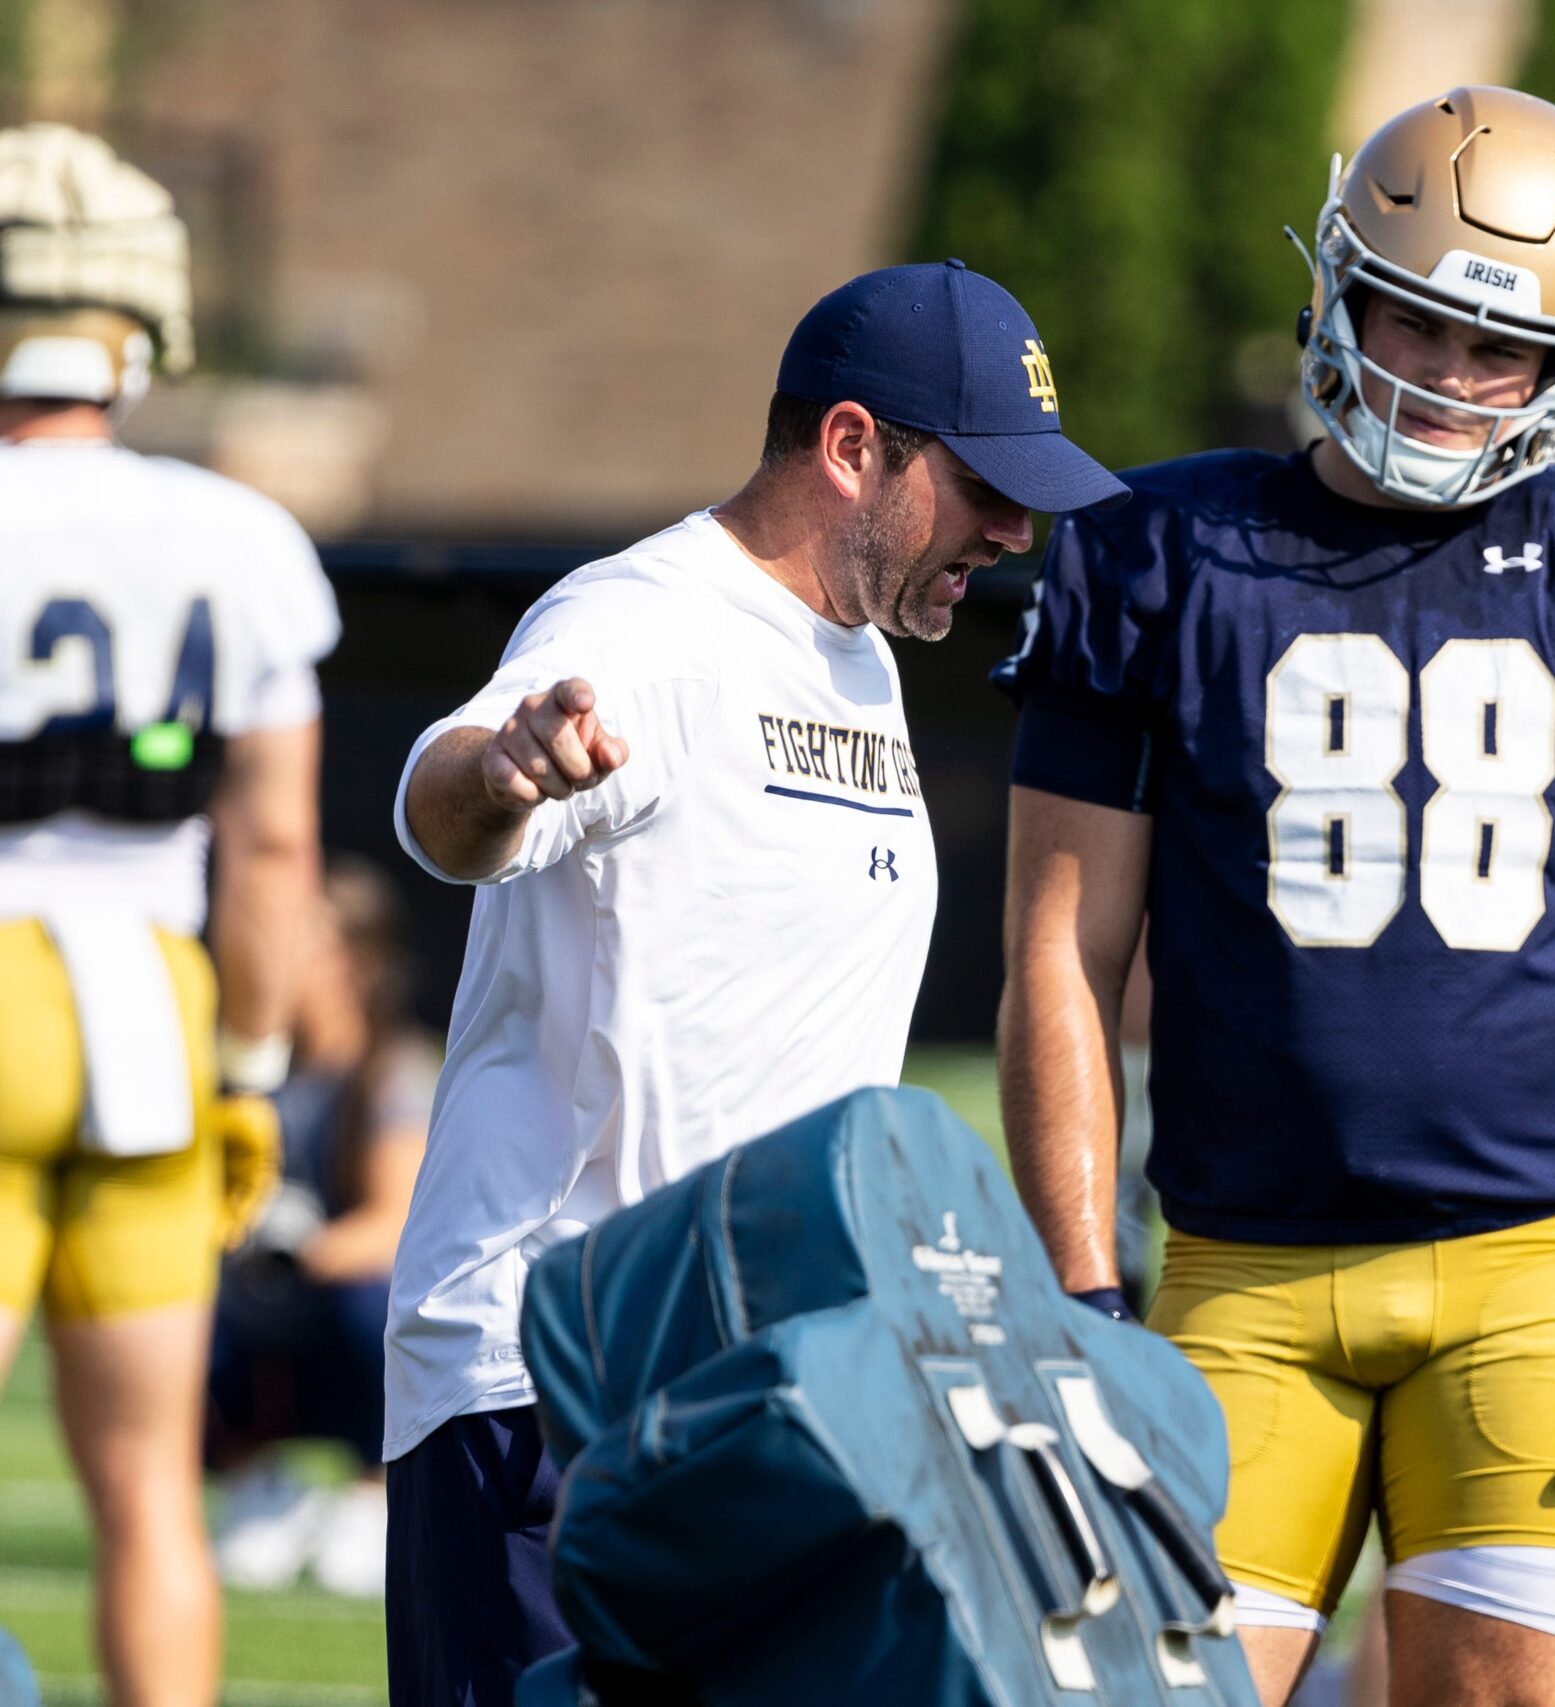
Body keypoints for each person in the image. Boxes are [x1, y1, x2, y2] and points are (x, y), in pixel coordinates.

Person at [996, 87, 1555, 1707]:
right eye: (1413, 325)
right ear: (1336, 291)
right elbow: (1062, 956)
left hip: (1542, 1267)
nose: (1449, 381)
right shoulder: (1154, 548)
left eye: (1503, 354)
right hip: (1237, 1261)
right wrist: (1079, 1292)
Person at [384, 260, 1124, 1706]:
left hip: (763, 1395)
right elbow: (442, 798)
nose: (1016, 530)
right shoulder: (642, 621)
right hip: (557, 1384)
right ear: (852, 447)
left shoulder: (858, 655)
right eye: (983, 485)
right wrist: (510, 767)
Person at [0, 124, 337, 1706]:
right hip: (152, 1007)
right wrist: (254, 1071)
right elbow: (273, 845)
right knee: (150, 1493)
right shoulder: (238, 536)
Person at [208, 858, 434, 1597]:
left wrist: (296, 1251)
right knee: (168, 1307)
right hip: (266, 1333)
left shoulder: (394, 1070)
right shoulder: (247, 1071)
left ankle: (376, 1495)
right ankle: (265, 1487)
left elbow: (396, 1227)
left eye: (298, 939)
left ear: (351, 962)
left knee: (373, 1300)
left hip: (347, 1331)